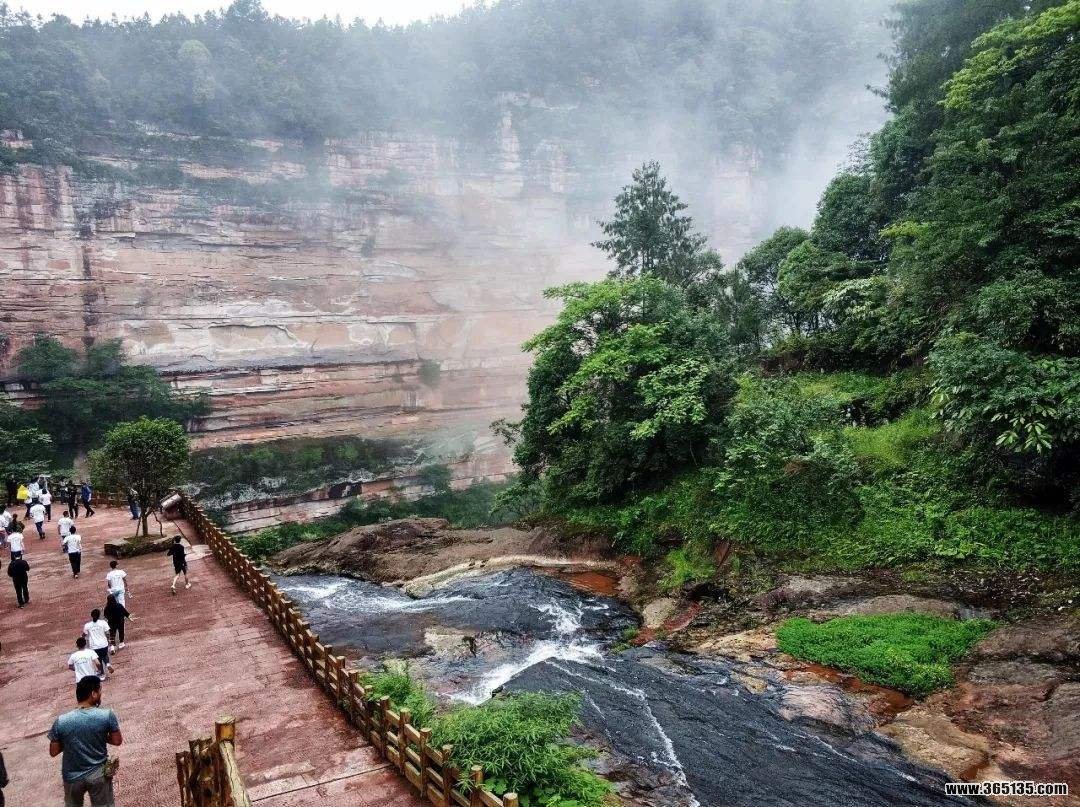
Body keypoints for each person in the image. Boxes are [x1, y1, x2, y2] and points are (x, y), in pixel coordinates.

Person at [47, 675, 122, 807]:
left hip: (72, 776)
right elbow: (117, 741)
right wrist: (98, 735)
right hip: (98, 774)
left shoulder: (61, 721)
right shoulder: (106, 715)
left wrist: (71, 739)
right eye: (99, 691)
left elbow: (53, 752)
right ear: (93, 694)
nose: (100, 694)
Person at [83, 610, 113, 677]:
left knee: (98, 659)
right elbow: (107, 633)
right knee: (105, 655)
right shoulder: (103, 623)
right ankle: (107, 664)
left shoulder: (87, 625)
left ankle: (102, 673)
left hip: (94, 646)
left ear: (91, 616)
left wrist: (81, 638)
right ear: (99, 615)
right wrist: (109, 640)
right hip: (104, 644)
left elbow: (84, 634)